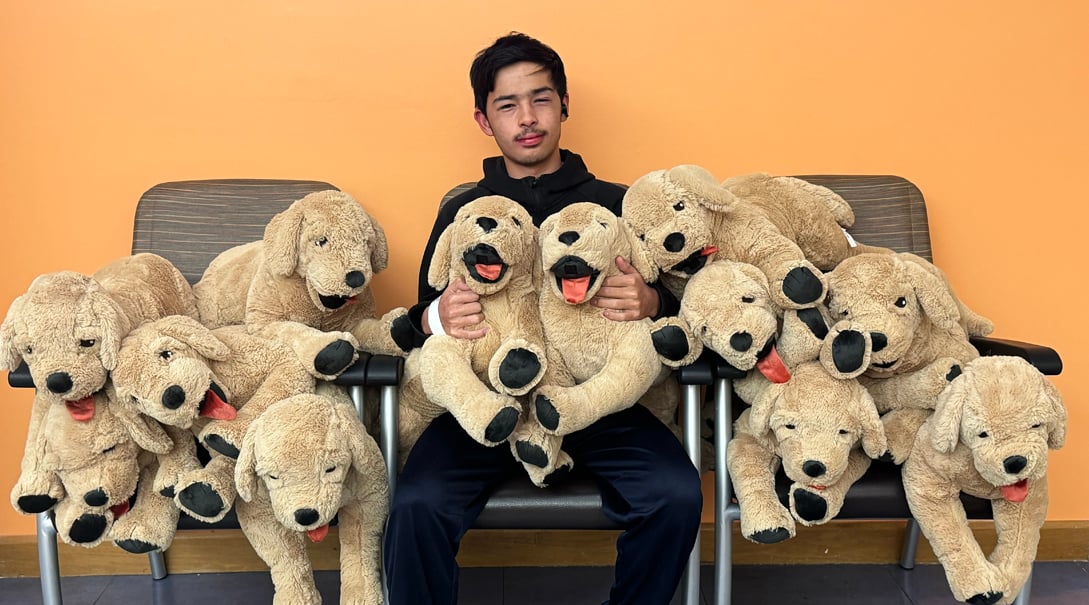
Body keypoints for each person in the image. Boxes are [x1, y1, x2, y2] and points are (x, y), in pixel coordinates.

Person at [383, 32, 703, 605]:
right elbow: (416, 314)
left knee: (675, 494)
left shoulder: (616, 203)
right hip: (487, 404)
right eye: (508, 105)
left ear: (564, 105)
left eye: (541, 99)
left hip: (593, 400)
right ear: (484, 120)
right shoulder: (464, 210)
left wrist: (654, 302)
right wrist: (435, 315)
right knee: (415, 504)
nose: (527, 119)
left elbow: (688, 308)